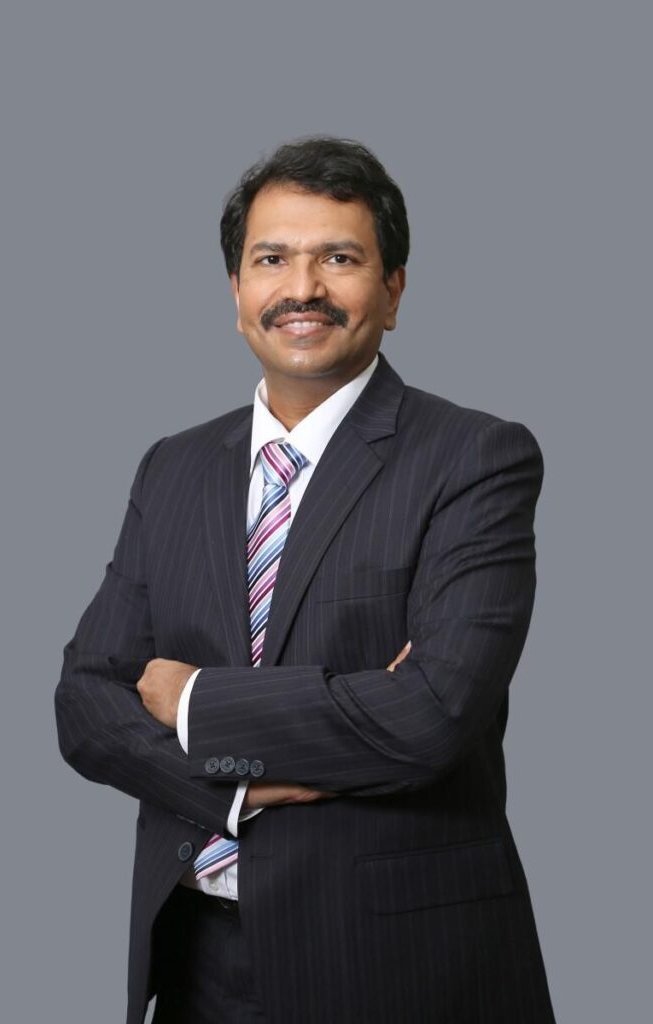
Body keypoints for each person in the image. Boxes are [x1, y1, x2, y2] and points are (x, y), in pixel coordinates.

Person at [55, 136, 556, 1023]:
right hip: (197, 956)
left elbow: (431, 715)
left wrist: (192, 700)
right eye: (271, 259)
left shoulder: (474, 458)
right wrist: (233, 785)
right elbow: (86, 703)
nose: (302, 288)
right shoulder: (172, 466)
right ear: (236, 293)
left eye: (339, 258)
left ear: (392, 292)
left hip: (398, 963)